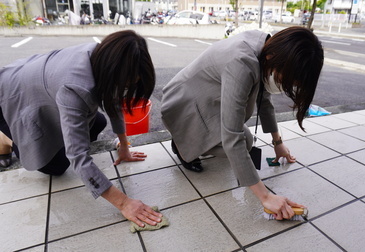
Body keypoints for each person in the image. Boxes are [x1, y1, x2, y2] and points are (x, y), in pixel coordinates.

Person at [0, 30, 162, 227]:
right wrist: (124, 203)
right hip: (12, 94)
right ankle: (5, 139)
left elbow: (114, 101)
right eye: (127, 84)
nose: (128, 88)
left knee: (98, 123)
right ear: (114, 73)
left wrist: (124, 146)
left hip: (41, 87)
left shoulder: (106, 57)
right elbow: (77, 157)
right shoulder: (75, 88)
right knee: (56, 166)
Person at [161, 27, 324, 220]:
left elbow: (264, 100)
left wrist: (278, 143)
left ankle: (192, 137)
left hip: (205, 100)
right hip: (183, 106)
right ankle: (183, 143)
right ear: (273, 57)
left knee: (245, 142)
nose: (284, 85)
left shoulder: (266, 48)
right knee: (242, 142)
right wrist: (265, 196)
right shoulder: (241, 62)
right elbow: (232, 135)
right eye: (284, 78)